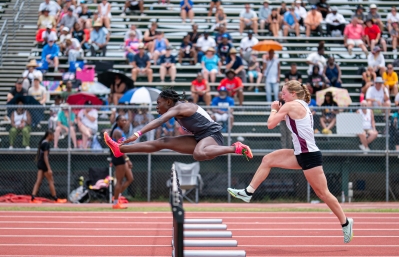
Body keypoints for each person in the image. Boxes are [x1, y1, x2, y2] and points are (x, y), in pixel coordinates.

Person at [227, 80, 354, 244]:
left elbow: (270, 124)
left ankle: (345, 222)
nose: (281, 95)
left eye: (284, 92)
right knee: (268, 160)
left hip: (309, 155)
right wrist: (280, 111)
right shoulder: (299, 105)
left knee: (323, 193)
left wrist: (274, 109)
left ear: (293, 94)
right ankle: (248, 192)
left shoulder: (291, 105)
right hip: (299, 153)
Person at [104, 88, 253, 162]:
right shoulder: (176, 109)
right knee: (163, 142)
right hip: (199, 137)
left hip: (212, 136)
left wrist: (137, 134)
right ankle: (120, 149)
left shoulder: (181, 107)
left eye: (158, 103)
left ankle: (236, 148)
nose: (156, 107)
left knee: (198, 154)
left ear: (168, 102)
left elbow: (159, 121)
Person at [31, 131, 67, 203]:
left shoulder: (43, 142)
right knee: (51, 181)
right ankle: (55, 198)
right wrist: (49, 168)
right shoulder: (46, 143)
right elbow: (45, 156)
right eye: (53, 136)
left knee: (38, 181)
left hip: (40, 163)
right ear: (49, 135)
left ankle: (33, 198)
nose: (53, 138)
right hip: (44, 164)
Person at [109, 116, 134, 209]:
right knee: (119, 180)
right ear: (117, 121)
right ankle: (116, 203)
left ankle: (117, 196)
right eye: (122, 120)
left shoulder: (120, 131)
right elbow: (120, 148)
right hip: (119, 157)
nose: (124, 122)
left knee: (130, 178)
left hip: (121, 157)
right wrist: (127, 160)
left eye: (125, 120)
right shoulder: (117, 132)